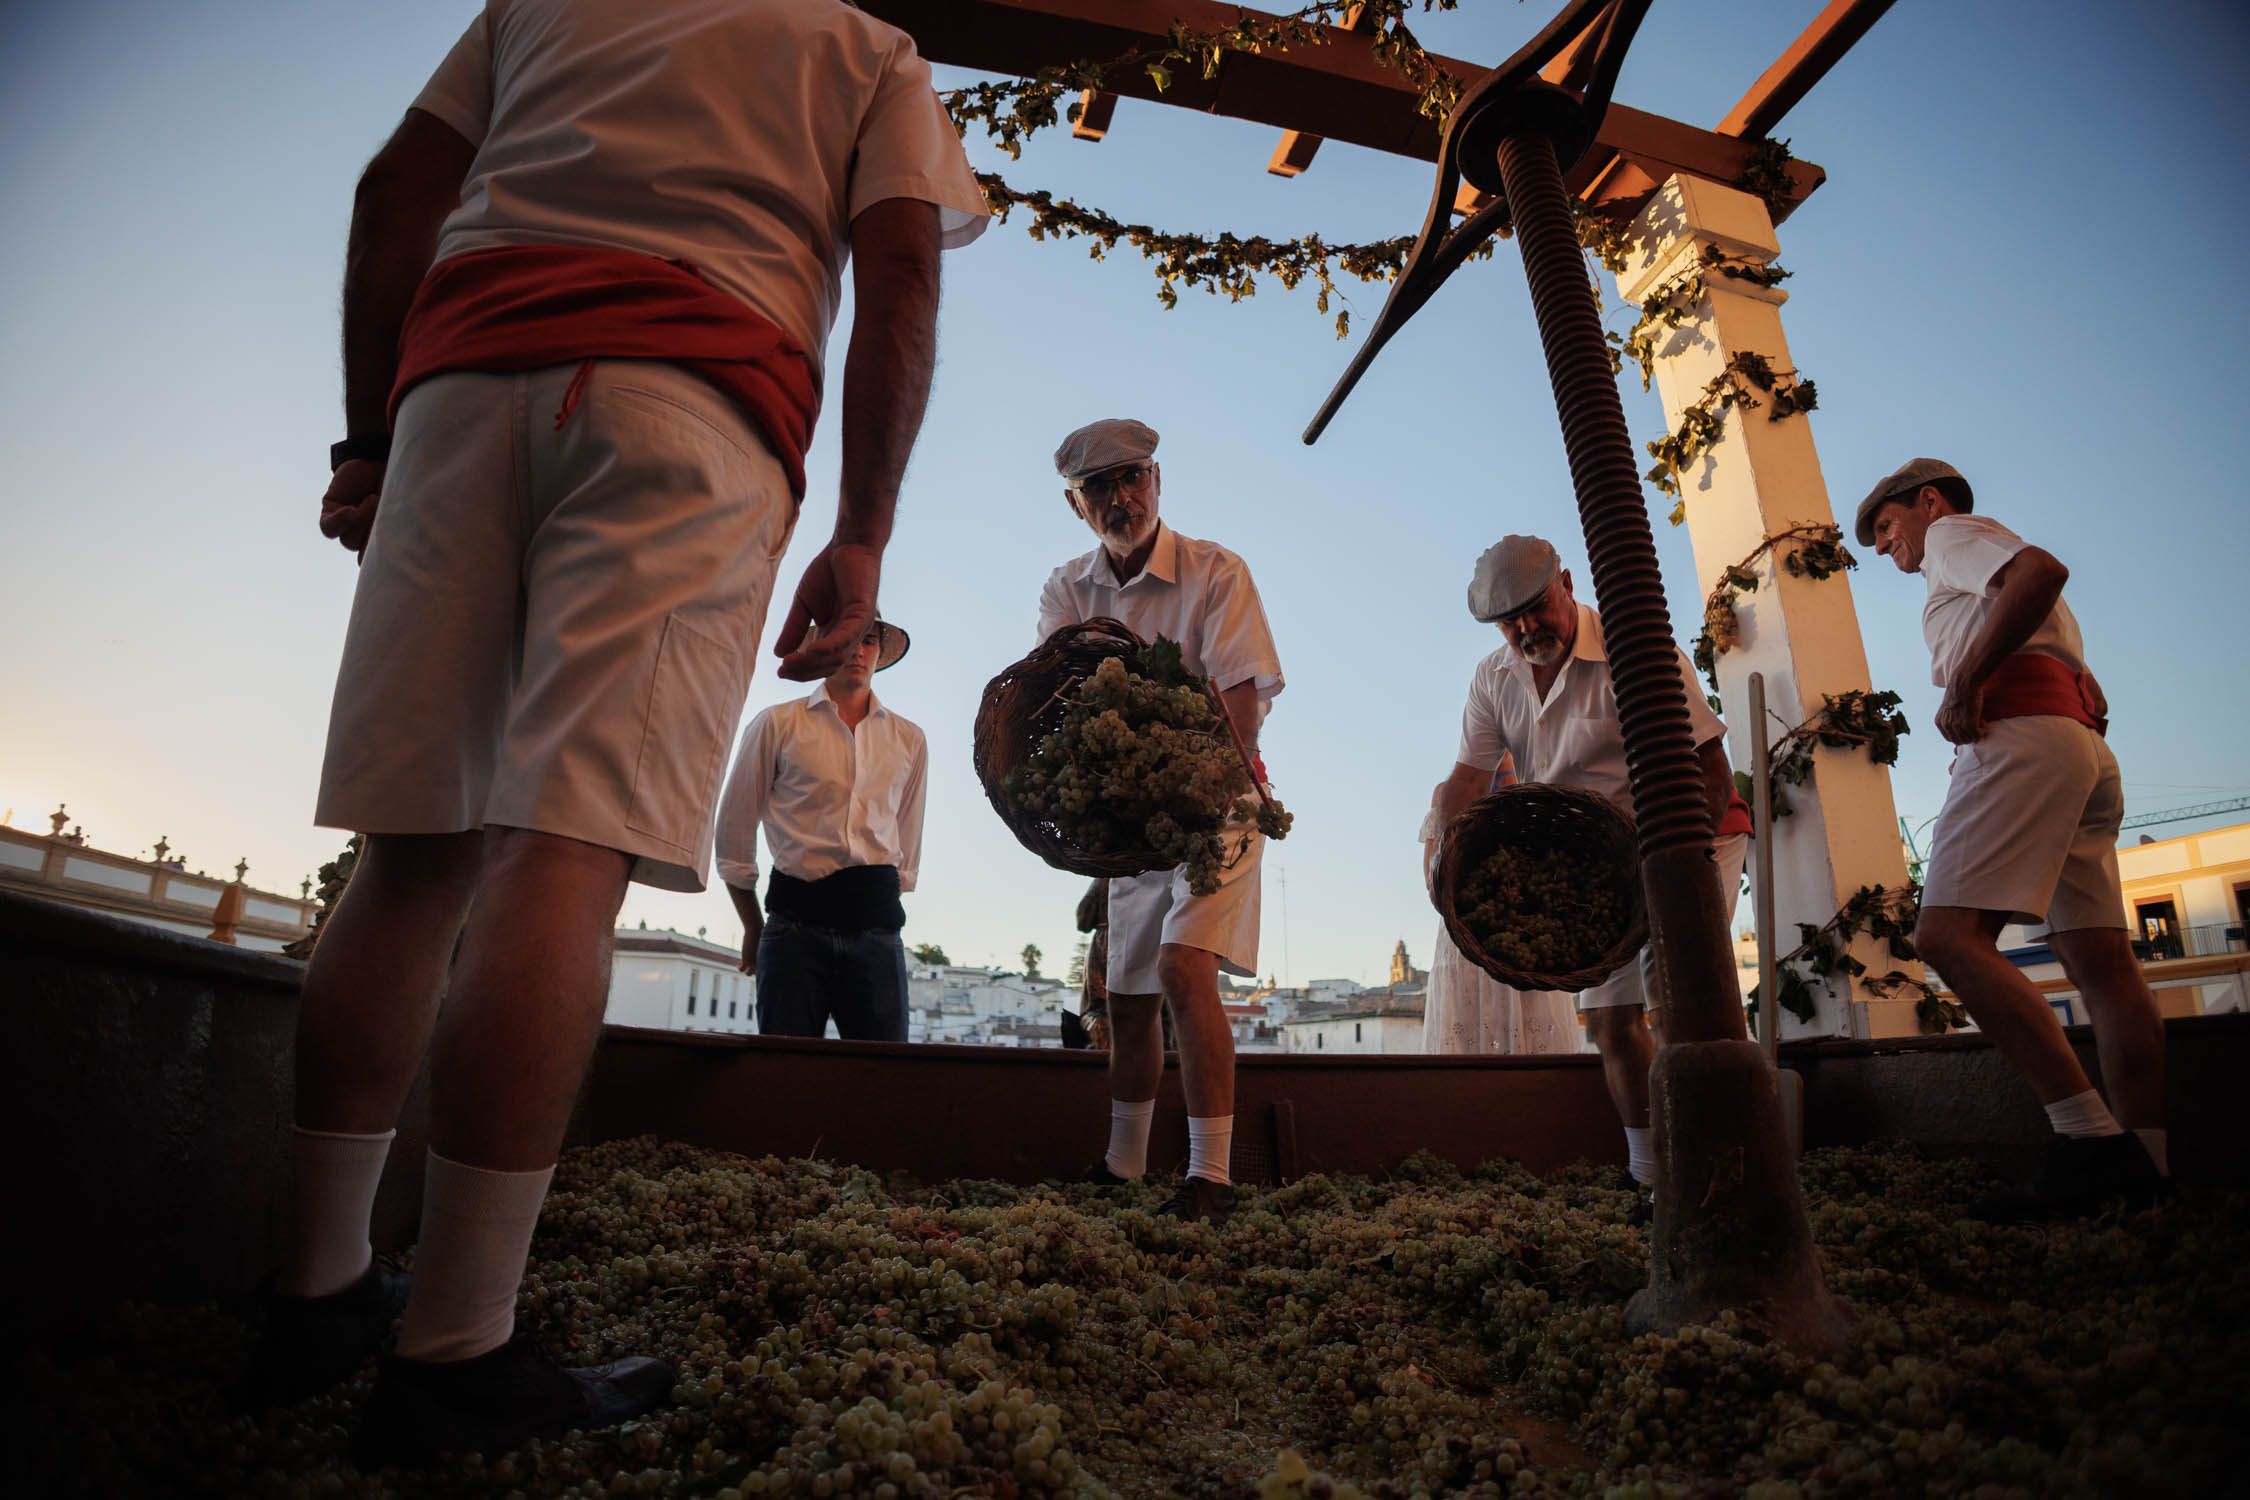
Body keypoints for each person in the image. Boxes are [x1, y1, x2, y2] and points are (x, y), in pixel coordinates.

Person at [265, 0, 986, 1463]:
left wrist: (368, 438)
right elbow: (899, 269)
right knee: (563, 853)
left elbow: (394, 191)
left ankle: (312, 1288)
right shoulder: (865, 49)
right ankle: (456, 1343)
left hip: (463, 386)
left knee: (409, 856)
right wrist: (860, 532)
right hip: (689, 394)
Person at [1856, 458, 2166, 1217]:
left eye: (1888, 527)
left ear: (1928, 503)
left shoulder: (1955, 535)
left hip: (2020, 735)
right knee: (2102, 964)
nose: (1887, 549)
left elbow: (2043, 571)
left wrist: (1966, 683)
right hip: (2076, 743)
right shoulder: (1965, 551)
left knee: (1949, 939)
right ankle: (2152, 1165)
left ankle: (2092, 1144)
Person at [1433, 535, 1751, 1202]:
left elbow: (1710, 768)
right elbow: (1465, 780)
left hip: (1693, 834)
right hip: (1593, 861)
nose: (1525, 628)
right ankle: (1651, 1179)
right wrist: (1441, 859)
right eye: (1508, 619)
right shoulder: (1494, 680)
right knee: (1610, 1021)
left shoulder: (1635, 651)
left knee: (1678, 1004)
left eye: (1536, 607)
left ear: (1568, 584)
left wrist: (1673, 874)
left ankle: (1722, 1175)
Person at [1037, 419, 1284, 1224]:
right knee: (1127, 995)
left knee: (1182, 969)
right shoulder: (1065, 588)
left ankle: (1211, 1179)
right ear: (1077, 506)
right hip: (1131, 820)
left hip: (1217, 800)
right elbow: (1062, 705)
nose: (1120, 497)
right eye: (1099, 487)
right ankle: (1123, 1167)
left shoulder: (1217, 571)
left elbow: (1240, 704)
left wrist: (1188, 783)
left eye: (1132, 477)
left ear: (1157, 480)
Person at [715, 617, 925, 1041]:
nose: (860, 651)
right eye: (848, 640)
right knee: (785, 1079)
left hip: (876, 930)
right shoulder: (777, 724)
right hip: (793, 928)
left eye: (869, 640)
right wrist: (754, 926)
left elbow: (907, 846)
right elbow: (733, 835)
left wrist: (867, 908)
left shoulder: (909, 740)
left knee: (883, 1084)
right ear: (825, 648)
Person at [1419, 769, 1581, 1056]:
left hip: (1526, 932)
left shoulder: (1536, 785)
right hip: (1464, 935)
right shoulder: (1446, 794)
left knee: (1532, 1043)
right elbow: (1432, 879)